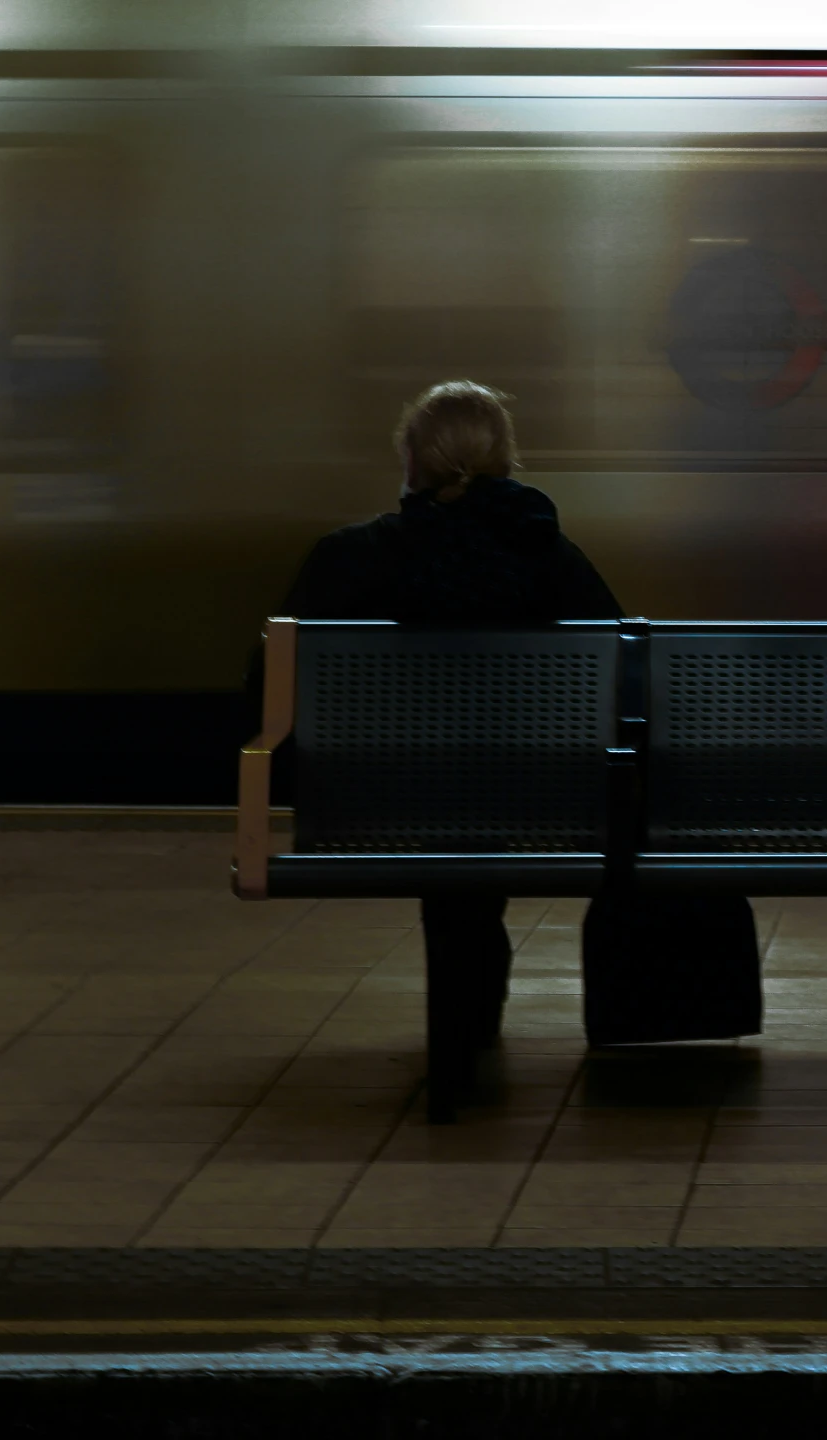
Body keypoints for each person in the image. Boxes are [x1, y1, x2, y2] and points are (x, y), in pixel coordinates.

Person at [271, 380, 761, 1120]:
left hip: (376, 801)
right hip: (541, 799)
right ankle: (476, 1017)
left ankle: (463, 1029)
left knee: (453, 820)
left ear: (410, 458)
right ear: (503, 460)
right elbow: (624, 675)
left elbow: (269, 688)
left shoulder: (349, 559)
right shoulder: (549, 556)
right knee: (481, 804)